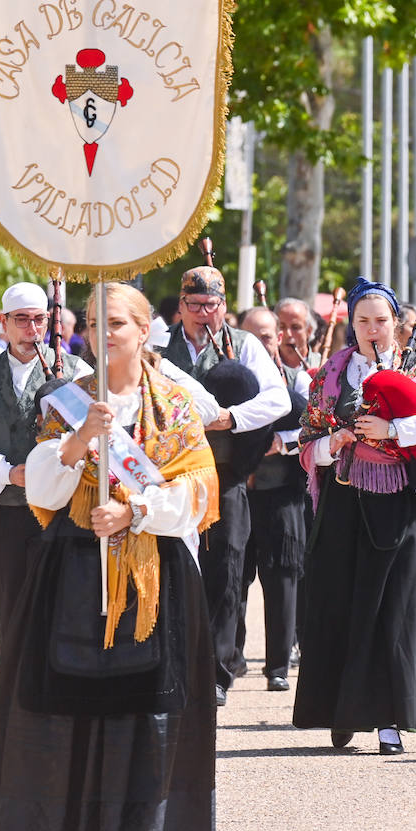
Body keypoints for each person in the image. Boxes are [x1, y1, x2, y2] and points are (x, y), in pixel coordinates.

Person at [0, 282, 220, 831]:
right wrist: (80, 440)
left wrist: (135, 513)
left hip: (152, 572)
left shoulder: (176, 404)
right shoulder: (68, 402)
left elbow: (199, 492)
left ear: (144, 329)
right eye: (93, 325)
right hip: (74, 566)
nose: (104, 337)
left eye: (117, 325)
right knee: (75, 696)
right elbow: (44, 492)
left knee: (141, 703)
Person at [293, 278, 416, 754]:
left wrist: (395, 427)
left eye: (381, 321)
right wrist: (336, 443)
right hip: (345, 503)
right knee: (340, 606)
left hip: (401, 506)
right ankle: (340, 712)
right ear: (351, 323)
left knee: (394, 609)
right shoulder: (331, 374)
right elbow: (307, 444)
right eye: (363, 320)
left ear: (397, 325)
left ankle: (390, 722)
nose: (372, 329)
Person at [158, 266, 289, 706]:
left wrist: (231, 418)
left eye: (210, 305)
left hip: (225, 474)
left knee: (226, 570)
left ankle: (217, 670)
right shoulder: (158, 345)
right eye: (193, 305)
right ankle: (171, 662)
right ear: (181, 306)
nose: (202, 314)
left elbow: (277, 399)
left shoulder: (245, 343)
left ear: (223, 306)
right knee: (170, 569)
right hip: (168, 476)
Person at [0, 283, 90, 643]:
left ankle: (57, 691)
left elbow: (94, 439)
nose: (31, 330)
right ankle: (15, 693)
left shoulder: (75, 372)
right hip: (5, 508)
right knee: (10, 604)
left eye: (39, 320)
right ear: (4, 322)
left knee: (60, 603)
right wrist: (9, 473)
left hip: (62, 509)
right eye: (22, 320)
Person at [238, 306, 307, 691]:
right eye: (253, 336)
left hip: (282, 494)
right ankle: (230, 658)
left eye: (267, 336)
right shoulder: (229, 379)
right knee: (234, 578)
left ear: (279, 337)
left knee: (282, 579)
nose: (261, 343)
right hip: (239, 493)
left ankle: (278, 665)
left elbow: (316, 428)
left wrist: (283, 442)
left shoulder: (298, 379)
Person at [275, 297, 323, 371]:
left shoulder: (324, 366)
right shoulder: (265, 365)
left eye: (295, 327)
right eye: (282, 327)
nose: (288, 334)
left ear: (309, 331)